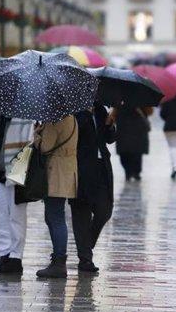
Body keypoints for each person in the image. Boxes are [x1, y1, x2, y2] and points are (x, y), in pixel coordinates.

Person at [0, 114, 36, 275]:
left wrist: (19, 174)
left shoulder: (25, 118)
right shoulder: (0, 116)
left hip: (17, 174)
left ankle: (16, 258)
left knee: (16, 217)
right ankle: (4, 254)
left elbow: (29, 145)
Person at [69, 103, 117, 274]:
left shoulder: (100, 110)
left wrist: (110, 124)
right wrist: (84, 116)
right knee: (81, 212)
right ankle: (85, 259)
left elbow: (109, 139)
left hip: (101, 167)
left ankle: (85, 247)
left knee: (104, 211)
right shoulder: (73, 110)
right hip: (80, 168)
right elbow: (73, 137)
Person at [34, 114, 79, 279]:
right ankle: (58, 260)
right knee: (54, 216)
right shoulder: (72, 118)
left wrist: (36, 134)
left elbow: (45, 147)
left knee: (55, 217)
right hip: (67, 170)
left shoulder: (55, 119)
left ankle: (59, 262)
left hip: (56, 172)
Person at [115, 106, 151, 181]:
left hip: (125, 129)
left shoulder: (119, 98)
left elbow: (114, 114)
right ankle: (135, 172)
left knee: (126, 153)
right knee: (136, 153)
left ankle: (129, 172)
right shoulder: (143, 97)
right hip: (136, 129)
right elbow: (150, 112)